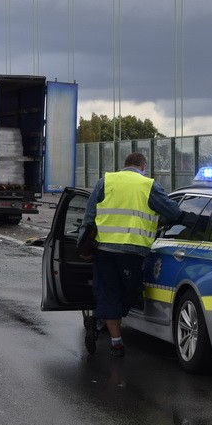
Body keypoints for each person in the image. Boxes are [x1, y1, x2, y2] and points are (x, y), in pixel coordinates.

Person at [79, 152, 185, 356]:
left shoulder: (106, 181)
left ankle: (105, 328)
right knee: (130, 292)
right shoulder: (148, 185)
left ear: (124, 165)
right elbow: (173, 212)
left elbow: (89, 215)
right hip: (133, 252)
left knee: (108, 294)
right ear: (143, 166)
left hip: (104, 250)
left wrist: (83, 246)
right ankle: (114, 339)